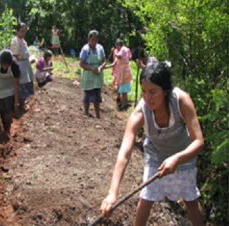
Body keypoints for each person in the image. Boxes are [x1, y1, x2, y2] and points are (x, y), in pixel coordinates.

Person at [100, 61, 204, 226]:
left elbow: (198, 141)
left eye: (153, 92)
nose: (147, 98)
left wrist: (177, 159)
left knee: (190, 200)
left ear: (165, 90)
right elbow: (124, 153)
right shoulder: (140, 113)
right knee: (146, 198)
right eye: (144, 92)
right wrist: (112, 193)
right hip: (156, 154)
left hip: (184, 154)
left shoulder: (181, 101)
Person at [0, 49, 20, 135]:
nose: (5, 68)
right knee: (1, 109)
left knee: (8, 110)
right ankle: (3, 129)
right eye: (3, 66)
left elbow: (16, 84)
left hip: (10, 87)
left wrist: (16, 101)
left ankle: (7, 130)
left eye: (7, 66)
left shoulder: (15, 64)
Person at [79, 30, 107, 118]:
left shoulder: (100, 48)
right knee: (87, 94)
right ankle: (86, 113)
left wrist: (100, 67)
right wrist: (91, 68)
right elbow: (81, 64)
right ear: (89, 39)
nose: (94, 42)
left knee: (97, 94)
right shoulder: (85, 49)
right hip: (88, 75)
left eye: (96, 40)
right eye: (92, 40)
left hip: (98, 75)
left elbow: (104, 61)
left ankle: (97, 115)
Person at [11, 22, 35, 113]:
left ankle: (23, 103)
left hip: (26, 65)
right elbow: (15, 57)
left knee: (26, 85)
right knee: (21, 86)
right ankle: (20, 105)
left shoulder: (23, 41)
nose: (23, 33)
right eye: (21, 31)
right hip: (20, 65)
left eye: (24, 31)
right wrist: (17, 70)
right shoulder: (15, 41)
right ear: (17, 31)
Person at [105, 39, 133, 111]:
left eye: (116, 46)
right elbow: (114, 63)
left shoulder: (123, 49)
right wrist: (105, 67)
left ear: (118, 45)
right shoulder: (119, 51)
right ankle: (123, 103)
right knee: (122, 88)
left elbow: (119, 56)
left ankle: (124, 104)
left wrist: (114, 52)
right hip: (121, 71)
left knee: (124, 88)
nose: (116, 48)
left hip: (125, 71)